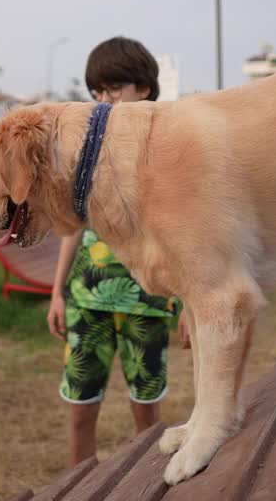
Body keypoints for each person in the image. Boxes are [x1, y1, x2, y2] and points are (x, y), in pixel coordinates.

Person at [47, 36, 191, 467]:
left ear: (143, 88)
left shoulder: (167, 152)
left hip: (147, 303)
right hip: (86, 302)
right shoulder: (88, 153)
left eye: (113, 89)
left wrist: (188, 303)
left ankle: (145, 487)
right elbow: (73, 227)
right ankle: (78, 490)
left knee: (146, 417)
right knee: (80, 410)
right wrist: (57, 292)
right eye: (97, 92)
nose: (103, 100)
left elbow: (183, 233)